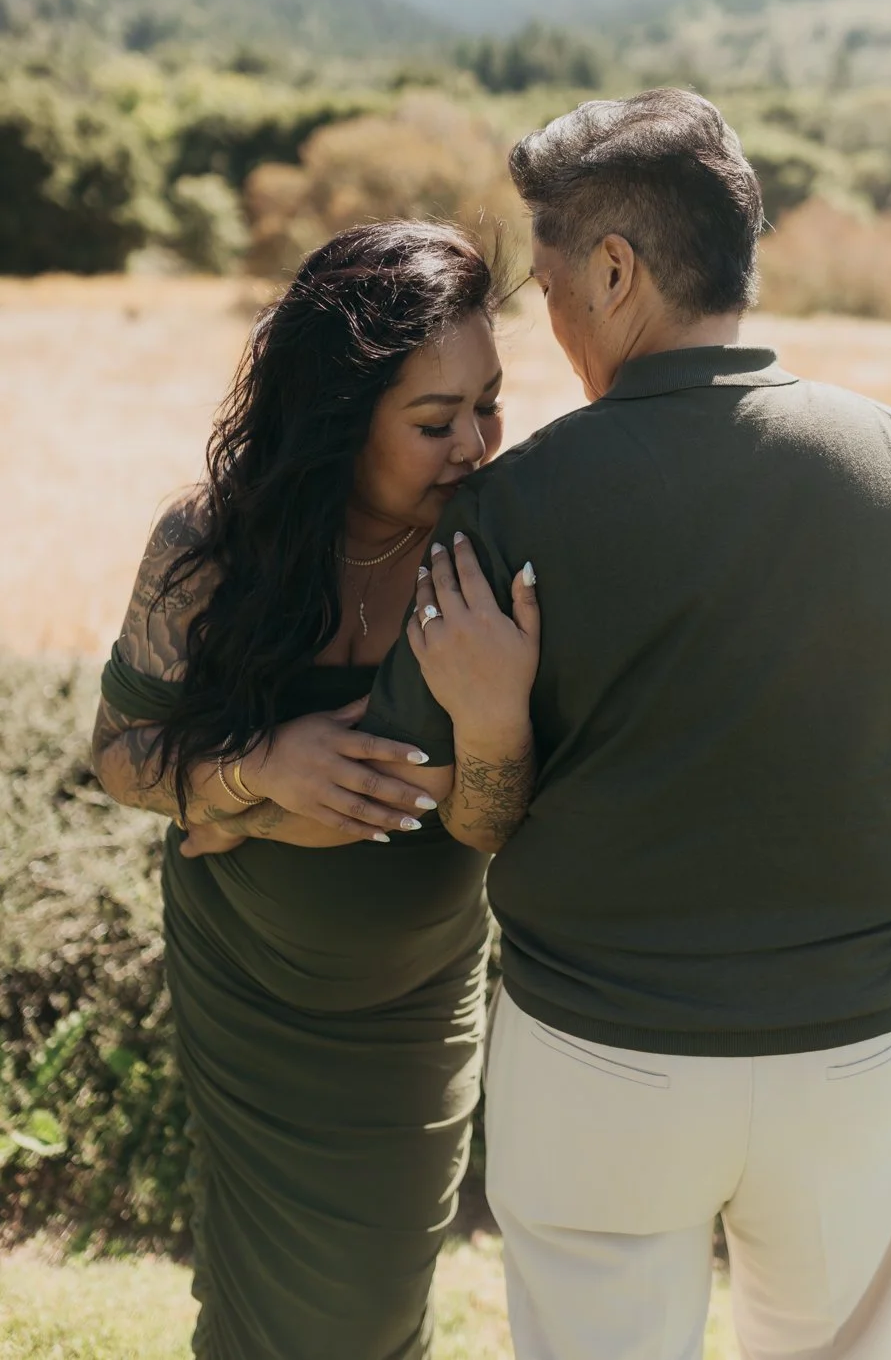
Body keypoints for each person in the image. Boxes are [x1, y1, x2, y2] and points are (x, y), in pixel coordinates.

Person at [362, 91, 891, 1360]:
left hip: (595, 1060)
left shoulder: (507, 508)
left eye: (556, 282)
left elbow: (464, 809)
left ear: (615, 270)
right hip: (859, 1046)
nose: (553, 320)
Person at [90, 221, 540, 1360]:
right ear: (337, 416)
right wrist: (256, 770)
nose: (477, 443)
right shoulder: (212, 546)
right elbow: (120, 753)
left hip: (418, 992)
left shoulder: (500, 548)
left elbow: (507, 807)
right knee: (250, 1295)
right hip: (244, 981)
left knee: (379, 1295)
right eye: (436, 421)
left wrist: (488, 725)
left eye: (490, 403)